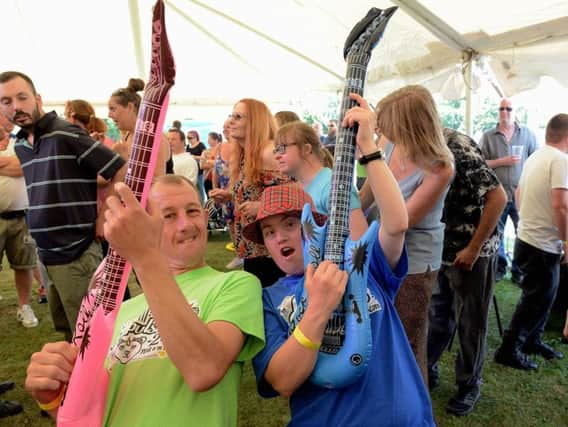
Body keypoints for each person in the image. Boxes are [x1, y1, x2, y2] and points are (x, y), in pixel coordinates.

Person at [248, 94, 435, 426]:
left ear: (311, 226)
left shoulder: (360, 263)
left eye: (291, 224)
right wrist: (318, 308)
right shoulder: (269, 299)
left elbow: (397, 223)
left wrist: (370, 148)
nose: (280, 237)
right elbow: (282, 380)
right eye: (269, 231)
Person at [25, 175, 265, 426]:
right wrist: (53, 396)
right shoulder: (118, 312)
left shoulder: (234, 285)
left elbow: (203, 369)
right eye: (169, 216)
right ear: (144, 227)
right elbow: (89, 414)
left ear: (205, 218)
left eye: (193, 211)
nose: (185, 224)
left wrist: (144, 257)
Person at [0, 71, 126, 340]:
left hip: (77, 253)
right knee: (69, 334)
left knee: (93, 337)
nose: (16, 107)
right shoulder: (21, 143)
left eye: (22, 97)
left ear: (37, 98)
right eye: (6, 101)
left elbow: (118, 167)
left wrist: (106, 213)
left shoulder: (63, 132)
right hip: (46, 255)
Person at [360, 85, 454, 384]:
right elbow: (368, 193)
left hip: (414, 264)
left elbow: (401, 221)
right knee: (378, 331)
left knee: (407, 339)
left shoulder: (440, 167)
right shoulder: (389, 145)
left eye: (389, 124)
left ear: (410, 125)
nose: (382, 130)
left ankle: (412, 404)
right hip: (377, 249)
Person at [427, 128, 507, 416]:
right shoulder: (420, 147)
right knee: (437, 316)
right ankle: (428, 369)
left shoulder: (456, 147)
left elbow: (498, 198)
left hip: (474, 251)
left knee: (470, 324)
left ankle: (469, 385)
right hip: (443, 250)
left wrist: (473, 249)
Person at [494, 113, 568, 370]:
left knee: (544, 297)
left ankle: (532, 340)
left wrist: (526, 220)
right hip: (542, 243)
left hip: (528, 237)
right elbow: (561, 206)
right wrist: (567, 242)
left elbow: (518, 192)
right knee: (535, 299)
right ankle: (508, 349)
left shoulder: (537, 155)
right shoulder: (560, 160)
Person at [209, 99, 290, 287]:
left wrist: (264, 207)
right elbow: (255, 190)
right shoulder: (246, 154)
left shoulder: (269, 152)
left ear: (255, 121)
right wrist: (229, 195)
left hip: (274, 250)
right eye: (232, 115)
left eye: (238, 117)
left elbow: (302, 193)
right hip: (254, 249)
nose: (231, 122)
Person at [273, 120, 368, 239]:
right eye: (275, 150)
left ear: (307, 149)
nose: (276, 156)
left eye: (282, 148)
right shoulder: (306, 187)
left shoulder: (331, 186)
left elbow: (359, 241)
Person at [480, 99, 537, 284]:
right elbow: (480, 164)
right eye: (501, 109)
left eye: (509, 108)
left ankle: (519, 271)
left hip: (522, 194)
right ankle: (499, 268)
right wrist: (501, 162)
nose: (505, 112)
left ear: (515, 111)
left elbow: (535, 162)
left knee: (524, 234)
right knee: (497, 234)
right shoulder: (489, 136)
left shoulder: (527, 134)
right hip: (498, 196)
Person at [0, 113, 38, 327]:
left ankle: (24, 306)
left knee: (24, 264)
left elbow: (26, 166)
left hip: (21, 216)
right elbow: (17, 167)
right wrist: (11, 164)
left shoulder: (20, 141)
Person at [108, 78, 171, 176]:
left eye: (113, 109)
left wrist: (123, 162)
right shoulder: (127, 136)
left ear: (130, 107)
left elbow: (157, 181)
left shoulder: (152, 137)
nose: (109, 115)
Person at [186, 130, 207, 200]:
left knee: (200, 188)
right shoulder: (188, 146)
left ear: (196, 137)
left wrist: (194, 157)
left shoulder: (201, 145)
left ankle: (202, 204)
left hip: (199, 170)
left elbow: (204, 157)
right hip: (191, 170)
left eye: (190, 138)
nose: (189, 140)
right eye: (187, 138)